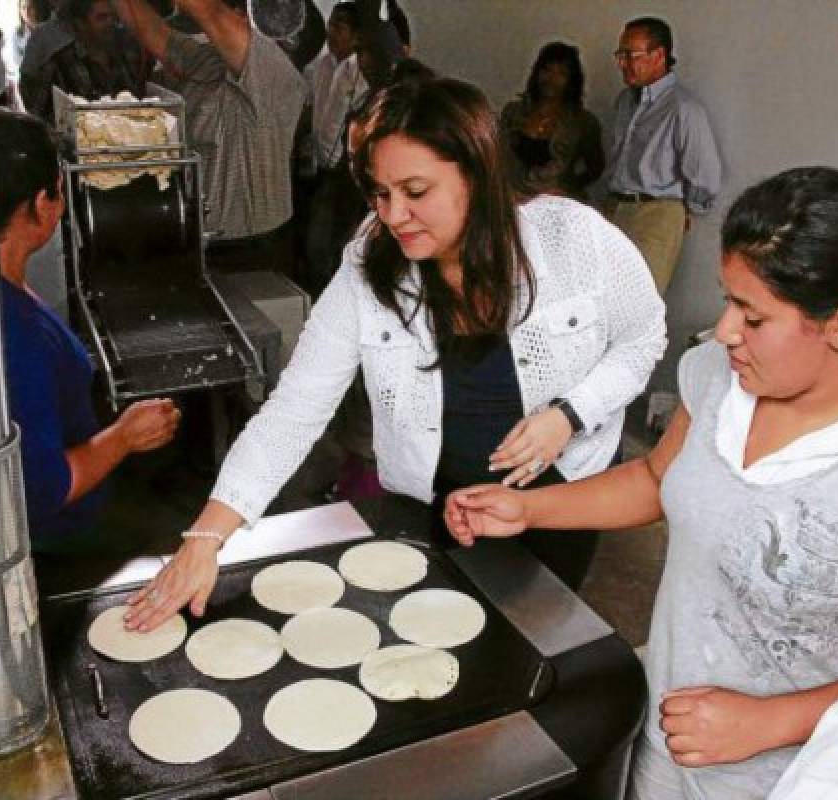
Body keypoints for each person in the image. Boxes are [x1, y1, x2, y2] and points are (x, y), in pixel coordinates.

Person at [444, 166, 838, 799]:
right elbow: (658, 478)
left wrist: (769, 721)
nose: (725, 329)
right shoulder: (717, 375)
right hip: (670, 736)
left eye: (753, 316)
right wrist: (527, 509)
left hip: (802, 774)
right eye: (729, 299)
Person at [123, 76, 666, 632]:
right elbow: (295, 409)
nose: (393, 215)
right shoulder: (369, 266)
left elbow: (644, 338)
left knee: (534, 637)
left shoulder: (574, 240)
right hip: (431, 506)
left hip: (562, 503)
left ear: (476, 175)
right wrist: (206, 535)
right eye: (381, 194)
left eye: (415, 191)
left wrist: (568, 415)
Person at [0, 109, 180, 554]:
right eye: (60, 191)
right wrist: (124, 437)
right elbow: (44, 491)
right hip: (64, 537)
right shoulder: (15, 335)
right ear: (40, 204)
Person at [113, 0, 306, 274]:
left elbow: (210, 13)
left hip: (250, 250)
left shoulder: (273, 70)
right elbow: (153, 31)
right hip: (201, 238)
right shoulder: (209, 62)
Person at [603, 17, 721, 295]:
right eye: (620, 55)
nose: (622, 64)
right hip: (616, 207)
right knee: (603, 298)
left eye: (630, 55)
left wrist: (685, 210)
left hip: (657, 213)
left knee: (639, 301)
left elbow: (704, 174)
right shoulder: (624, 102)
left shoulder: (683, 109)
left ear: (658, 55)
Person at [300, 2, 368, 293]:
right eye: (330, 25)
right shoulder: (319, 66)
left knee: (327, 244)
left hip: (342, 173)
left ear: (356, 36)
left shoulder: (362, 73)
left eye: (339, 28)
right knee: (312, 245)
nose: (330, 33)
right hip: (315, 167)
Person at [500, 42, 604, 201]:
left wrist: (569, 188)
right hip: (512, 200)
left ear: (572, 81)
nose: (551, 79)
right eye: (547, 70)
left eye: (561, 74)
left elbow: (595, 167)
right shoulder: (512, 112)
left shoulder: (583, 122)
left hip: (558, 203)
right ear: (537, 72)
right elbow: (495, 158)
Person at [18, 0, 150, 122]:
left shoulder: (122, 43)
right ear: (80, 23)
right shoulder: (51, 47)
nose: (111, 23)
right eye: (102, 18)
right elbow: (35, 109)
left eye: (114, 17)